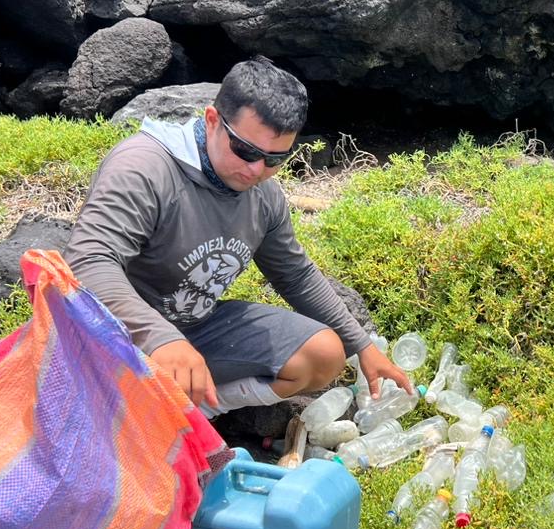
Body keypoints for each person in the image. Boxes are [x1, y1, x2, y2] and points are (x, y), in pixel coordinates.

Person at [66, 55, 409, 415]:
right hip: (116, 334)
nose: (256, 170)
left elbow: (295, 274)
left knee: (323, 354)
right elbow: (88, 263)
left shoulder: (264, 195)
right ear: (212, 120)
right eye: (245, 150)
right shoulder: (143, 168)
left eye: (274, 159)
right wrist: (161, 339)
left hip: (194, 328)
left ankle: (198, 413)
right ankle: (145, 406)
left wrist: (362, 346)